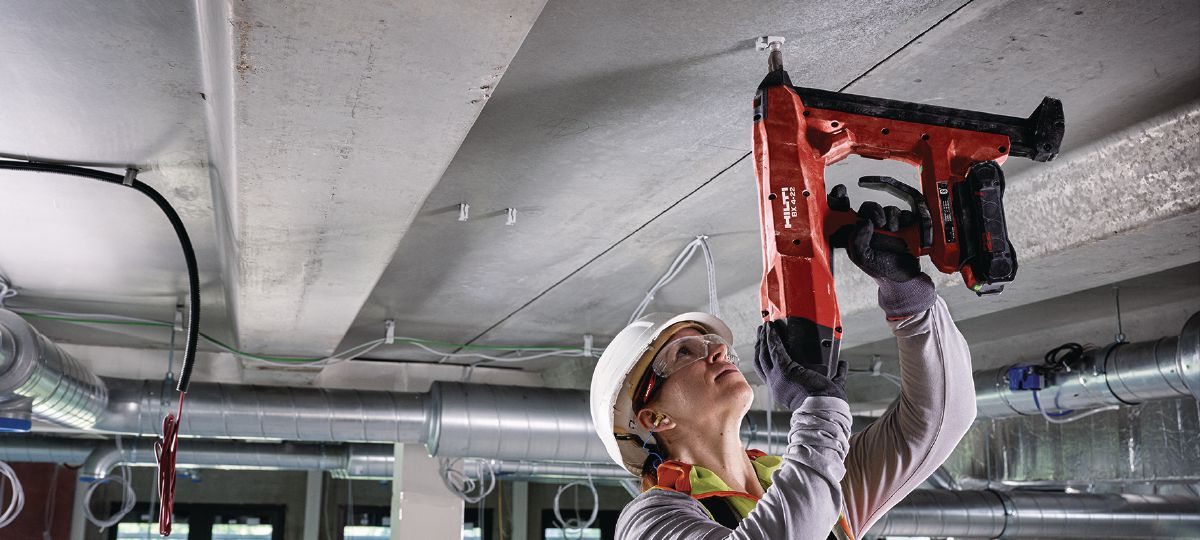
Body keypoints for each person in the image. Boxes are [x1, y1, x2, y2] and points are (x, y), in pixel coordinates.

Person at [589, 187, 977, 540]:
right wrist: (819, 415)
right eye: (685, 352)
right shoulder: (649, 521)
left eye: (713, 343)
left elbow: (942, 418)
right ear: (655, 419)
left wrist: (909, 298)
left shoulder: (809, 476)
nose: (719, 352)